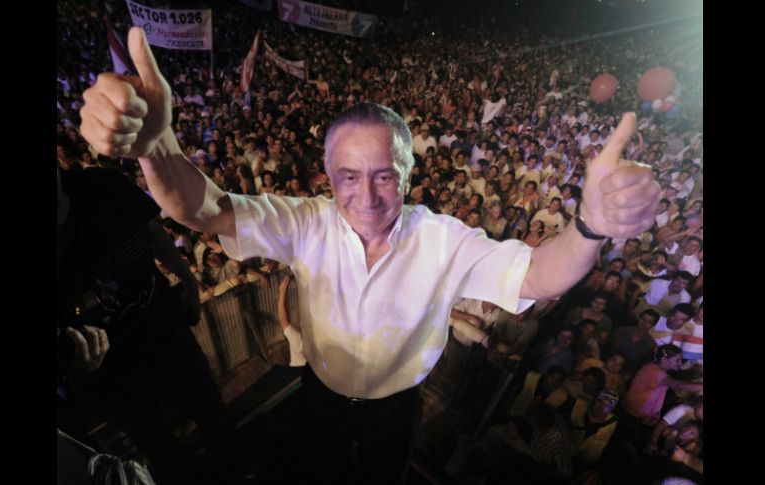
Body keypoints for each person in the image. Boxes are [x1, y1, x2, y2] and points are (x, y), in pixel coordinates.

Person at [79, 27, 660, 483]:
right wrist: (159, 151)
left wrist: (590, 226)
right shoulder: (306, 222)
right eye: (348, 176)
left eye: (384, 175)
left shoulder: (444, 239)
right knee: (323, 468)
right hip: (321, 392)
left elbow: (537, 274)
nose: (365, 196)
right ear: (327, 176)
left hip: (395, 407)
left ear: (408, 174)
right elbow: (204, 210)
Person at [56, 168, 255, 485]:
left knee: (209, 408)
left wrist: (187, 281)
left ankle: (238, 467)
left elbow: (150, 230)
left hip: (164, 327)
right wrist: (74, 364)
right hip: (116, 372)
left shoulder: (102, 184)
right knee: (160, 448)